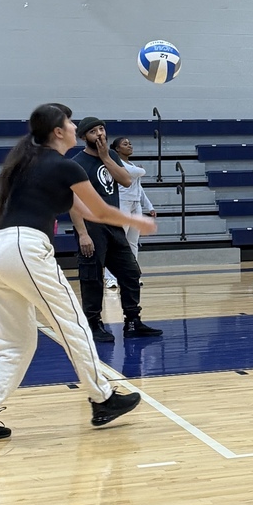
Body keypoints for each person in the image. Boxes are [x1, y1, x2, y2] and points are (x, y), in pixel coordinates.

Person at [0, 103, 155, 444]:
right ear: (58, 131)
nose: (75, 126)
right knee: (74, 325)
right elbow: (101, 211)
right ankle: (103, 398)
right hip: (24, 248)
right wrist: (137, 221)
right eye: (69, 122)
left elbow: (84, 210)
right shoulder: (64, 165)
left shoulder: (27, 163)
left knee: (16, 344)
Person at [69, 118, 163, 342]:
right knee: (92, 277)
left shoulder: (110, 156)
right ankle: (93, 324)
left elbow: (126, 180)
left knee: (131, 272)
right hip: (91, 227)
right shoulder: (76, 163)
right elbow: (72, 201)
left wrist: (105, 157)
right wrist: (82, 233)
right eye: (93, 131)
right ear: (83, 137)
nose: (100, 134)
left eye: (101, 129)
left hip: (113, 224)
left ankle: (132, 321)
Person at [103, 136, 156, 291]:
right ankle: (110, 278)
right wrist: (141, 170)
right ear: (117, 149)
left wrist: (149, 206)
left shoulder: (131, 165)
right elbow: (139, 172)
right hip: (122, 203)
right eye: (125, 144)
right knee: (118, 242)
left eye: (130, 143)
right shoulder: (117, 164)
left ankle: (132, 275)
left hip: (135, 204)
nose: (129, 146)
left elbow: (139, 188)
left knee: (133, 242)